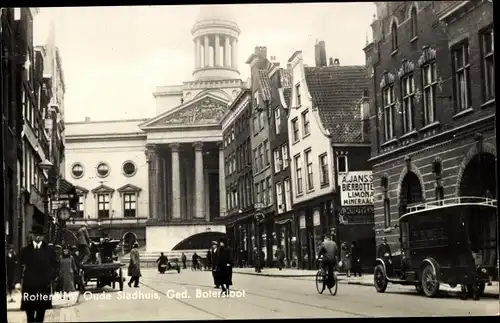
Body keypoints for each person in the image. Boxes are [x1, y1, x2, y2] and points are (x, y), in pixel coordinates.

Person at [20, 225, 57, 323]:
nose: (37, 237)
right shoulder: (25, 251)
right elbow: (19, 266)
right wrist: (18, 281)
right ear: (31, 235)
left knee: (41, 313)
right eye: (35, 234)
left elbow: (55, 266)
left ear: (42, 237)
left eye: (39, 235)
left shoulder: (49, 251)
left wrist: (50, 278)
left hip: (43, 286)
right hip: (29, 286)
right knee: (30, 314)